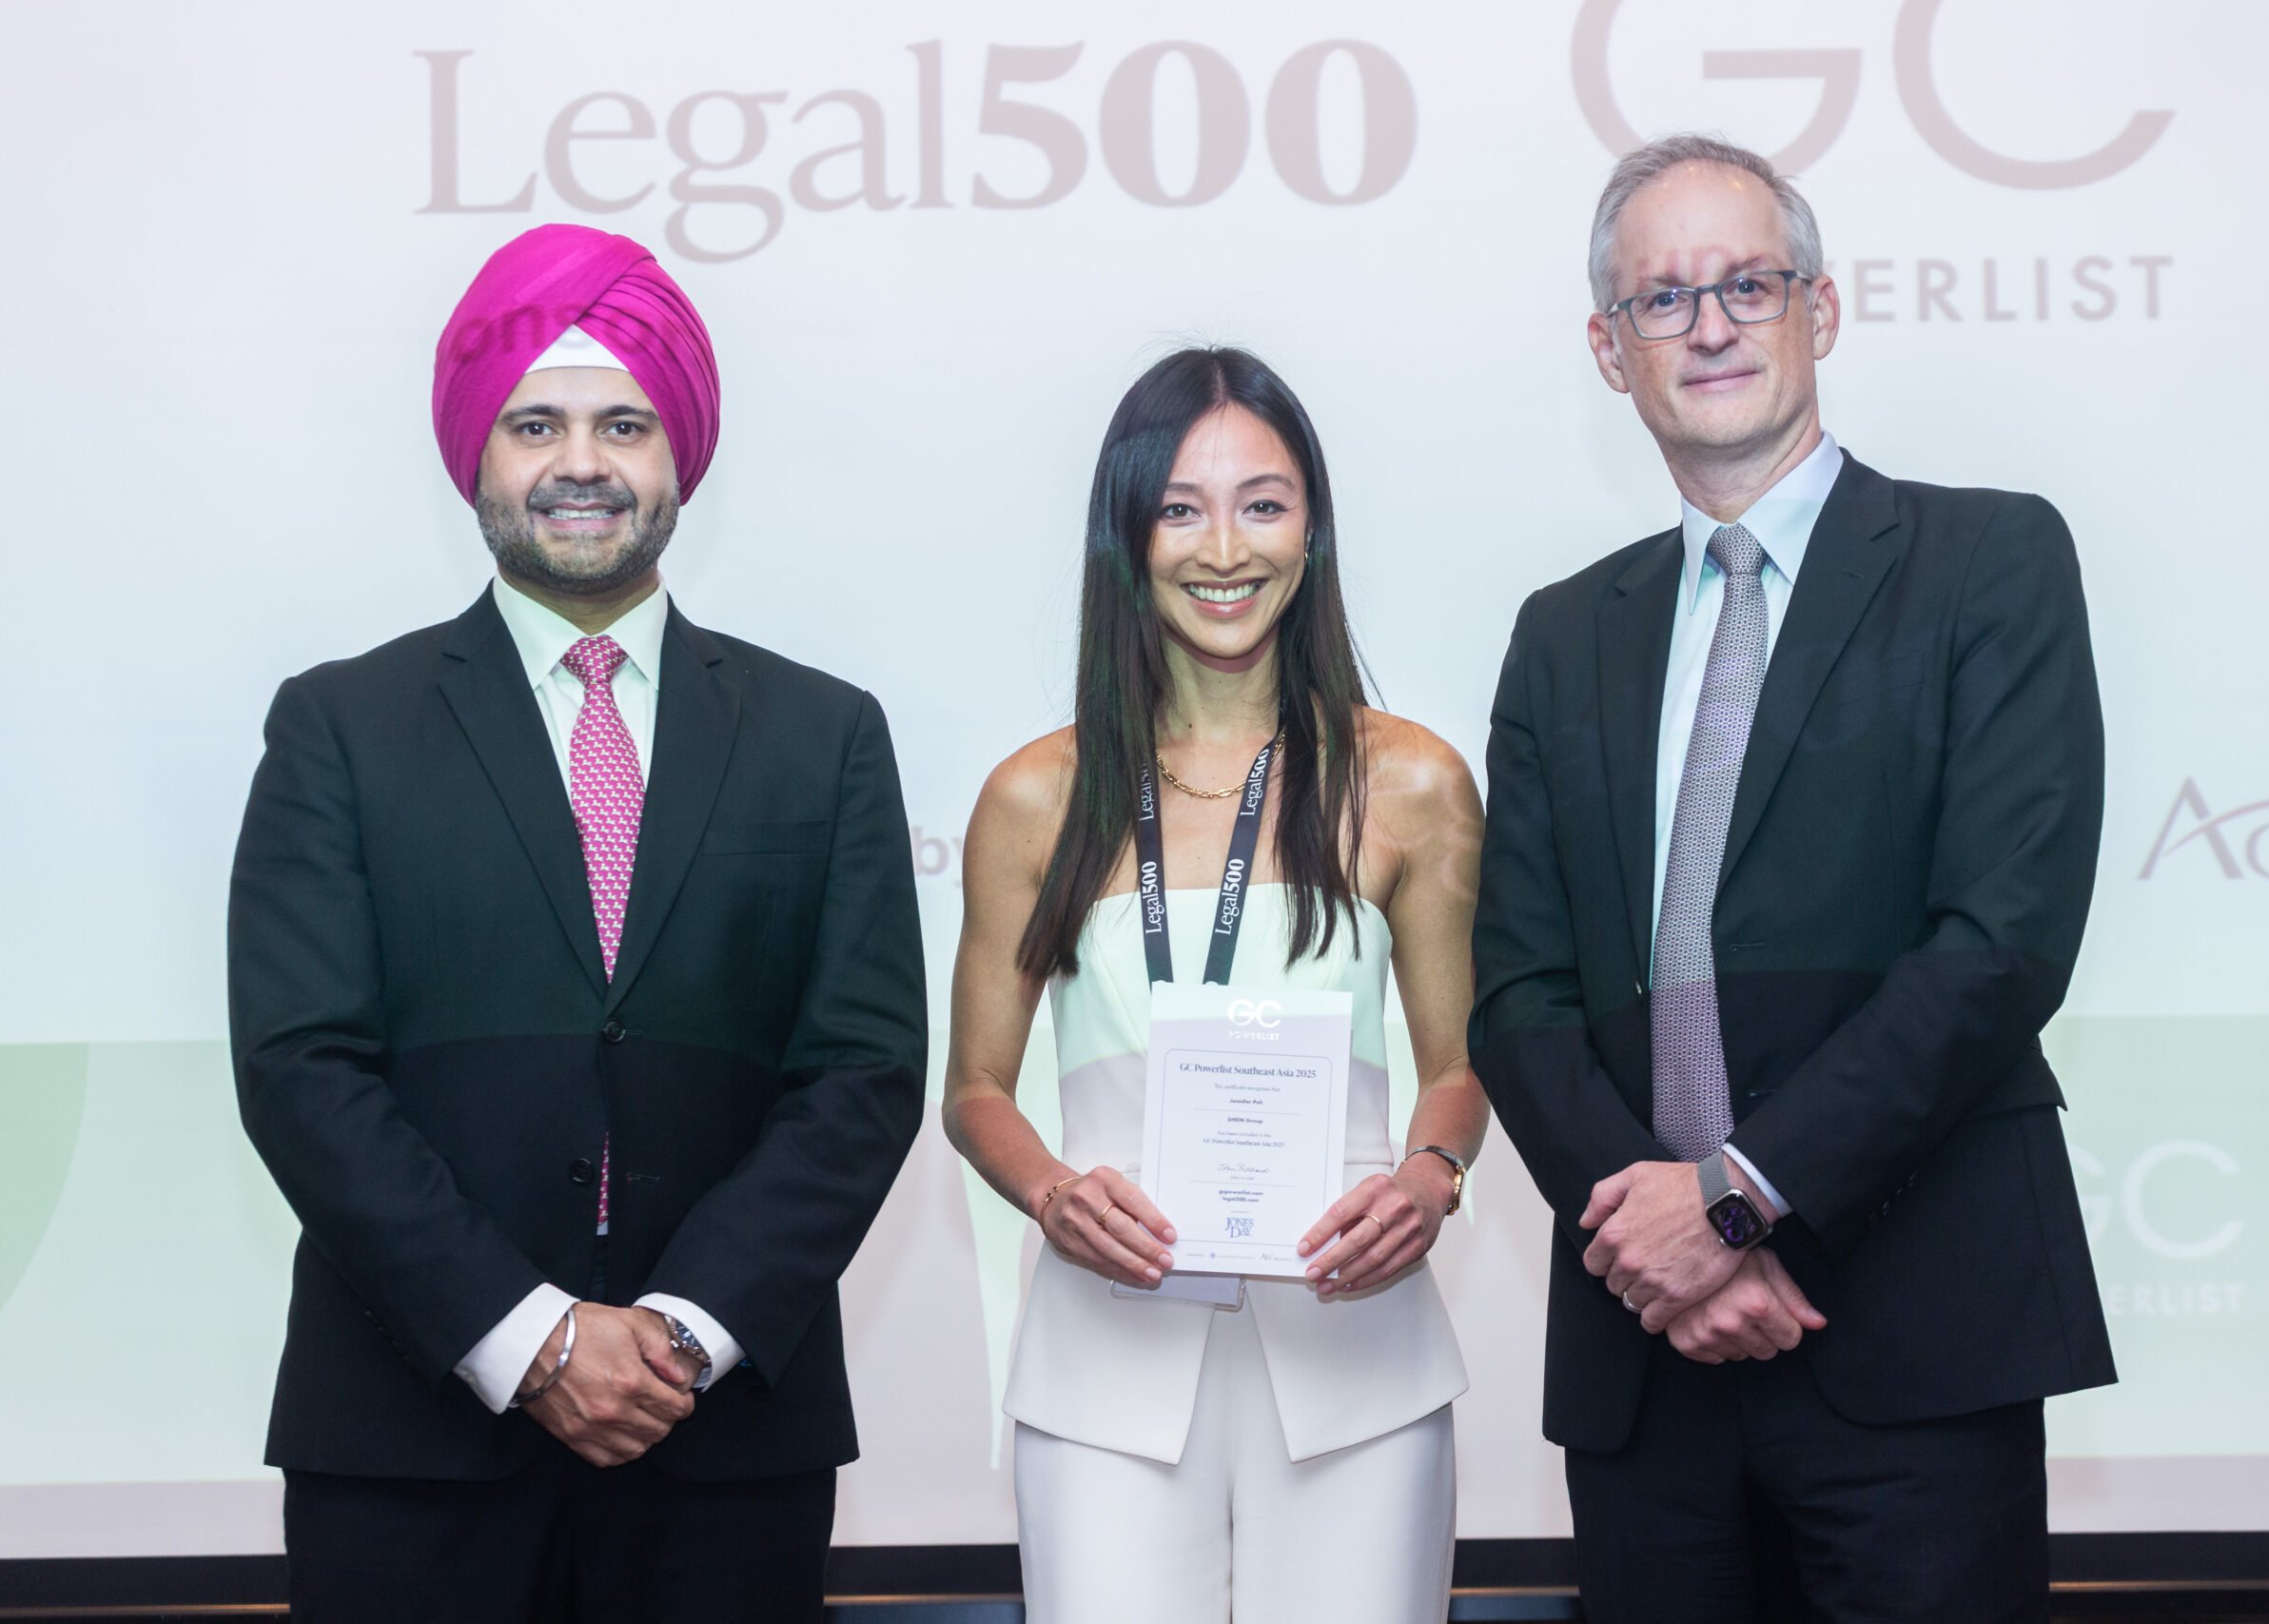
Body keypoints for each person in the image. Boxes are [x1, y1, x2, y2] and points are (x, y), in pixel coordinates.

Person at [227, 223, 926, 1623]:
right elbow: (301, 1070)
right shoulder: (338, 726)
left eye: (624, 423)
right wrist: (530, 1337)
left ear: (681, 456)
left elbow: (862, 1073)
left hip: (720, 1443)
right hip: (413, 1444)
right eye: (535, 424)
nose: (582, 463)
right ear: (476, 455)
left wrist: (680, 1332)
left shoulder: (825, 733)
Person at [1469, 134, 2116, 1622]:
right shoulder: (1563, 633)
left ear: (1819, 308)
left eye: (1747, 285)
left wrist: (1736, 1205)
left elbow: (2001, 940)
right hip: (1650, 1364)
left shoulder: (1989, 559)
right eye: (1662, 298)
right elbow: (1517, 994)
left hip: (1914, 1336)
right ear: (1609, 348)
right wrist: (1662, 1248)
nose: (1708, 325)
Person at [943, 347, 1485, 1624]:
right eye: (1181, 508)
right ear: (1127, 532)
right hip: (1105, 1360)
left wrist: (1428, 1180)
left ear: (1313, 528)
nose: (1224, 549)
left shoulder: (1411, 780)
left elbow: (1461, 1067)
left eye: (1264, 503)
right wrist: (1051, 1192)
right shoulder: (1035, 795)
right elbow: (973, 1089)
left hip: (1356, 1351)